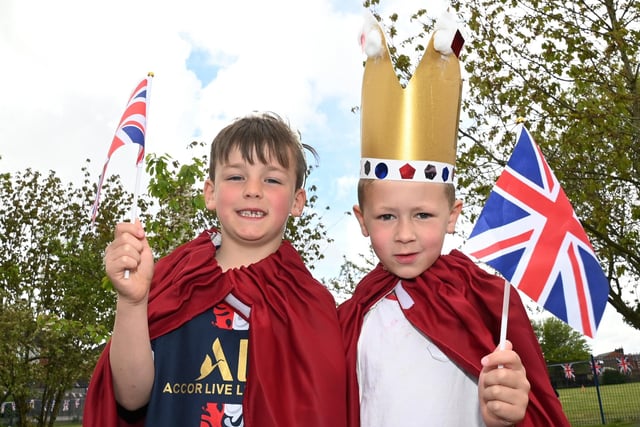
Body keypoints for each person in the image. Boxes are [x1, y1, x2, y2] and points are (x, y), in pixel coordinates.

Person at [337, 12, 571, 427]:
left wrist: (511, 416)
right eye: (387, 216)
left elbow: (536, 412)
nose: (405, 235)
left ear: (452, 215)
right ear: (362, 219)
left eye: (423, 215)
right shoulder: (353, 315)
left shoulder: (489, 301)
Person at [83, 112, 348, 427]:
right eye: (236, 177)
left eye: (272, 179)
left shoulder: (311, 304)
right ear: (211, 192)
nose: (253, 190)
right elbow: (131, 398)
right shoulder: (170, 279)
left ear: (297, 201)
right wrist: (132, 302)